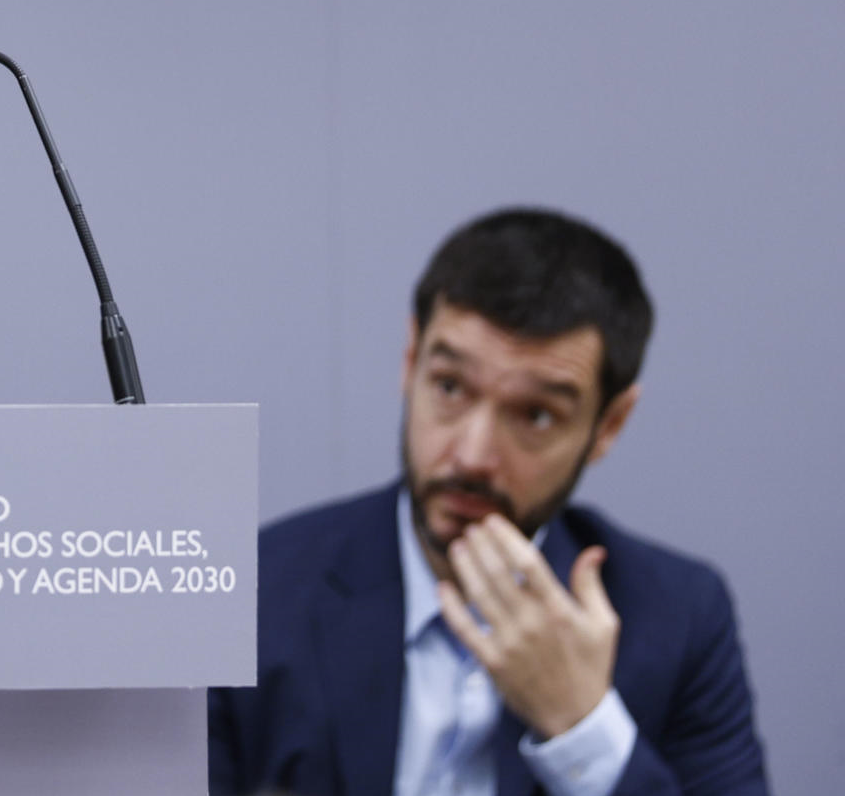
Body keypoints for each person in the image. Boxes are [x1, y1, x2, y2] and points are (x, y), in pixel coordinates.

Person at [209, 208, 768, 796]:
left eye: (536, 414)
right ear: (411, 361)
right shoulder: (257, 591)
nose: (473, 454)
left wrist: (580, 726)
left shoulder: (679, 616)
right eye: (450, 387)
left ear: (609, 424)